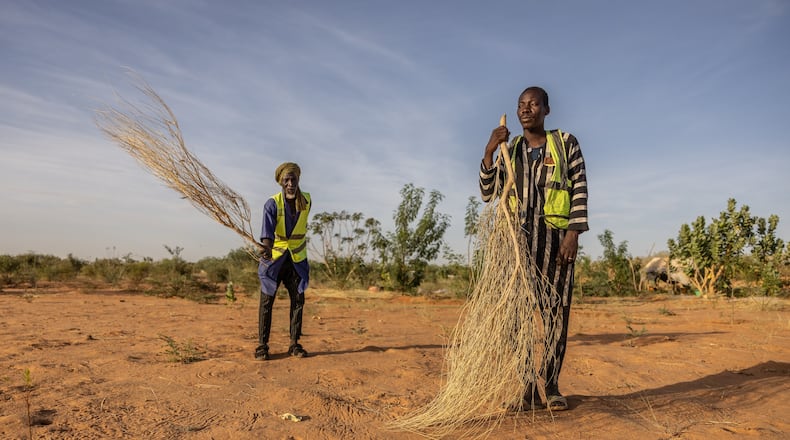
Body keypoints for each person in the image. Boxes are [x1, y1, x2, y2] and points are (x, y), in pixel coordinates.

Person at [479, 86, 589, 411]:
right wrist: (489, 153)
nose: (526, 109)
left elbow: (580, 187)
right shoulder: (510, 150)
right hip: (518, 248)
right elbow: (490, 192)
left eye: (533, 104)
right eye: (521, 105)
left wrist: (573, 234)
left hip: (556, 244)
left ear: (546, 109)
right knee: (518, 317)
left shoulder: (566, 143)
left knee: (556, 314)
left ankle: (552, 386)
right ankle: (527, 388)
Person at [255, 162, 312, 360]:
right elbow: (267, 231)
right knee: (267, 301)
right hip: (275, 259)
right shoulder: (272, 203)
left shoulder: (306, 200)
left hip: (297, 258)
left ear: (298, 180)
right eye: (286, 180)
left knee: (298, 301)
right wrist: (266, 248)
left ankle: (294, 344)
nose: (290, 184)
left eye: (293, 179)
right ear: (280, 182)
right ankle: (262, 345)